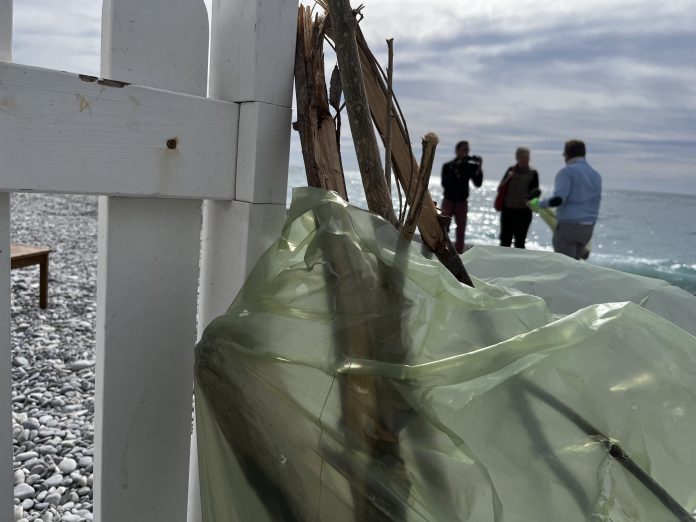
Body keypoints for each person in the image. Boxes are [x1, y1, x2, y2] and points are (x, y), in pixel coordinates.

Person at [529, 139, 602, 260]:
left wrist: (538, 203)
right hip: (588, 228)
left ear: (567, 154)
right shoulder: (596, 175)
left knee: (563, 265)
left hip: (569, 227)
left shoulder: (567, 172)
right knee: (576, 264)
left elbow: (558, 199)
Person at [440, 141, 483, 253]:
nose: (466, 152)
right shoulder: (448, 166)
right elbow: (445, 183)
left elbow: (478, 183)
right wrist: (455, 169)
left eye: (467, 150)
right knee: (443, 229)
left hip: (462, 202)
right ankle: (441, 249)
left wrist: (479, 168)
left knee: (461, 231)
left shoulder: (469, 167)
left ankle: (459, 254)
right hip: (448, 201)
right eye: (463, 149)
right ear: (457, 151)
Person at [498, 147, 539, 248]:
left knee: (520, 242)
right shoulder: (510, 171)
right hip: (508, 211)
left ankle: (518, 263)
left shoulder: (533, 173)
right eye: (523, 157)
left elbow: (535, 194)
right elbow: (500, 188)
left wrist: (531, 198)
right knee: (505, 241)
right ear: (517, 158)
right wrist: (508, 178)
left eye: (527, 157)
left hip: (523, 212)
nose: (526, 160)